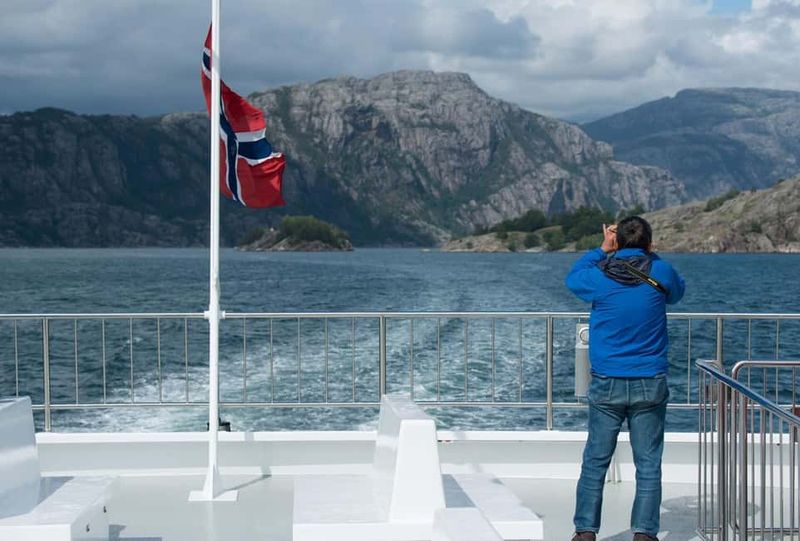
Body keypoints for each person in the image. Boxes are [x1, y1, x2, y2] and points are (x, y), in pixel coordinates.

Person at [565, 216, 686, 541]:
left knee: (595, 461)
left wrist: (602, 249)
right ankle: (644, 534)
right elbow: (677, 292)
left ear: (616, 240)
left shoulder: (598, 275)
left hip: (607, 381)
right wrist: (649, 254)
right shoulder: (660, 271)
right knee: (648, 463)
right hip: (650, 379)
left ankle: (585, 532)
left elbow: (572, 279)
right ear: (649, 242)